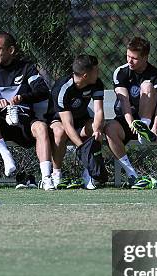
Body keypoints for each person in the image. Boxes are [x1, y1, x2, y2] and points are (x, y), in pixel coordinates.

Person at [0, 32, 55, 191]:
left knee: (41, 128)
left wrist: (22, 97)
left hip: (23, 120)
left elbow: (43, 91)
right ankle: (6, 156)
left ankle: (46, 179)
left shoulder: (26, 68)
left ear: (10, 50)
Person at [105, 36, 157, 189]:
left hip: (148, 124)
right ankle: (132, 174)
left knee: (147, 86)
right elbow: (124, 101)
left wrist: (155, 127)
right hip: (128, 120)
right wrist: (131, 123)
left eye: (134, 58)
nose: (130, 61)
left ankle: (143, 130)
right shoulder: (121, 72)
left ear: (145, 57)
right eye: (128, 56)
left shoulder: (156, 75)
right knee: (110, 129)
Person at [47, 54, 105, 190]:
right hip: (59, 121)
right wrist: (83, 148)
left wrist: (97, 130)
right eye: (96, 70)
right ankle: (56, 174)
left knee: (96, 128)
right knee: (60, 132)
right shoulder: (62, 89)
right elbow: (67, 124)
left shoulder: (97, 83)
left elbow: (99, 112)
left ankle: (89, 174)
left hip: (81, 121)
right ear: (85, 76)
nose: (98, 73)